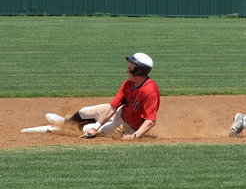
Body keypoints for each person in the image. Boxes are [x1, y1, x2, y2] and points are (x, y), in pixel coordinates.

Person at [28, 52, 160, 140]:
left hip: (129, 127)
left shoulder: (150, 91)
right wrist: (95, 126)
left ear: (138, 71)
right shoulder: (128, 83)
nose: (127, 70)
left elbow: (150, 121)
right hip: (121, 113)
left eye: (130, 68)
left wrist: (135, 136)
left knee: (88, 130)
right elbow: (113, 107)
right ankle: (66, 123)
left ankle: (57, 130)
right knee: (86, 111)